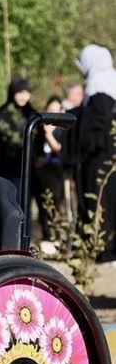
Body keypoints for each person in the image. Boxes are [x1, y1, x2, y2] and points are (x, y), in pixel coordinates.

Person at [74, 44, 116, 263]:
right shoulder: (107, 83)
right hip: (106, 157)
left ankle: (105, 249)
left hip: (100, 158)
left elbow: (98, 127)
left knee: (102, 199)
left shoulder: (100, 89)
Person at [0, 78, 36, 192]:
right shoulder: (3, 113)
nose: (23, 96)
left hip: (28, 164)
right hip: (6, 165)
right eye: (20, 92)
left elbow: (39, 137)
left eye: (27, 92)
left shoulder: (31, 113)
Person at [33, 95, 67, 254]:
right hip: (41, 171)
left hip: (56, 171)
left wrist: (49, 134)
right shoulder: (38, 129)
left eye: (56, 110)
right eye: (50, 110)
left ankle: (57, 236)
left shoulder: (63, 129)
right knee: (42, 203)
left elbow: (60, 150)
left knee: (55, 203)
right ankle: (46, 235)